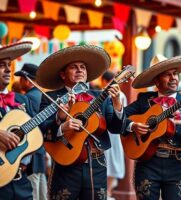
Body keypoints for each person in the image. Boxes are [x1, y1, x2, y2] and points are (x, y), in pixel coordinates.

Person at [36, 45, 126, 200]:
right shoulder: (51, 97)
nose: (80, 70)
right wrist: (62, 125)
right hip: (65, 164)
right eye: (74, 67)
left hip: (96, 164)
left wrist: (117, 103)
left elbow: (117, 128)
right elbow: (40, 130)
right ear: (63, 74)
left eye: (83, 67)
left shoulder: (100, 97)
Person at [124, 54, 181, 200]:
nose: (173, 78)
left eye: (175, 74)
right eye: (167, 75)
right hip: (148, 163)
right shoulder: (144, 100)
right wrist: (133, 126)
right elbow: (118, 118)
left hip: (177, 163)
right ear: (156, 80)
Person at [0, 41, 35, 199]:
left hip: (21, 181)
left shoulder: (22, 100)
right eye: (1, 65)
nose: (8, 69)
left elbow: (37, 133)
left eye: (9, 64)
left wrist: (60, 120)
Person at [14, 63, 47, 200]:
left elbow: (30, 128)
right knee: (41, 192)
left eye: (21, 78)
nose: (19, 82)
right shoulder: (41, 95)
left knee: (33, 192)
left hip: (31, 155)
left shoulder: (29, 98)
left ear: (27, 80)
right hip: (40, 153)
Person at [101, 71, 126, 200]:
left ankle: (108, 193)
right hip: (111, 134)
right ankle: (108, 193)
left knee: (111, 162)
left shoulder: (117, 95)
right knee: (110, 162)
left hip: (112, 134)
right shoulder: (119, 94)